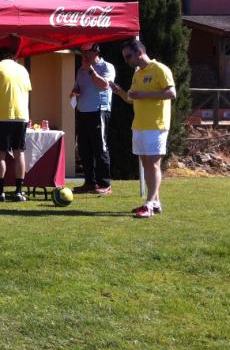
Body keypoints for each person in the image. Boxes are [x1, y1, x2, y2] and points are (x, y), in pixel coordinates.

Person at [110, 39, 176, 218]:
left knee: (153, 164)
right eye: (124, 58)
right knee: (147, 165)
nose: (127, 60)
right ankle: (155, 203)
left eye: (129, 56)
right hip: (139, 125)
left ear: (139, 52)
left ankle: (148, 205)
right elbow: (131, 99)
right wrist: (120, 92)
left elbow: (171, 93)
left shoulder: (160, 69)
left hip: (156, 125)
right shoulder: (137, 73)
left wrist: (144, 95)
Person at [0, 44, 32, 202]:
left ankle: (0, 192)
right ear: (13, 57)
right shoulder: (23, 69)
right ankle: (19, 191)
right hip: (21, 115)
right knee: (19, 153)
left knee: (0, 154)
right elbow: (27, 93)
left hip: (3, 116)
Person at [70, 43, 116, 195]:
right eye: (82, 52)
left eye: (87, 52)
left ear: (96, 52)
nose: (84, 55)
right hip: (82, 112)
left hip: (99, 111)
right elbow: (77, 88)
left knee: (100, 147)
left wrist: (90, 70)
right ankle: (90, 183)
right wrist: (74, 92)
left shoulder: (107, 67)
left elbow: (104, 85)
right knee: (84, 149)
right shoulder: (80, 70)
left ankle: (105, 184)